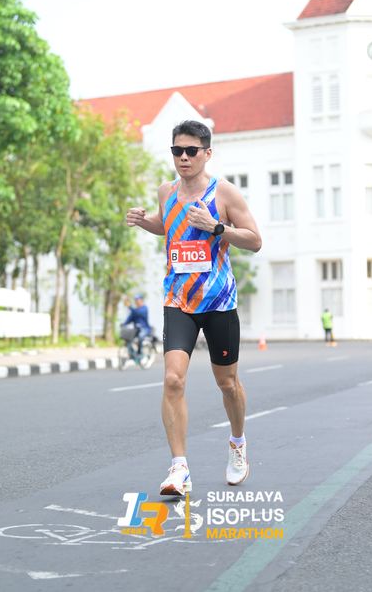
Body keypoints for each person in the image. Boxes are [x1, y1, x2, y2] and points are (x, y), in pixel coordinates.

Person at [126, 119, 262, 496]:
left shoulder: (224, 193)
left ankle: (237, 443)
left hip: (218, 302)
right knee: (173, 379)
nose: (183, 158)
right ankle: (179, 468)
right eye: (177, 151)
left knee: (227, 383)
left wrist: (216, 227)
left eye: (191, 151)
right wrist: (145, 222)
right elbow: (167, 225)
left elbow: (254, 241)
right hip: (178, 300)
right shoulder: (166, 192)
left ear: (207, 153)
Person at [122, 294, 152, 362]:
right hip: (136, 329)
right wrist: (124, 324)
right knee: (128, 338)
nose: (137, 302)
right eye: (136, 300)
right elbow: (130, 318)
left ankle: (139, 352)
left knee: (140, 337)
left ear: (141, 301)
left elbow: (138, 313)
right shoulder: (135, 310)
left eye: (138, 300)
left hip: (144, 329)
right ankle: (132, 354)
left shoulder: (144, 308)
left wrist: (130, 307)